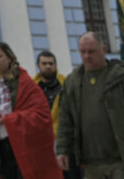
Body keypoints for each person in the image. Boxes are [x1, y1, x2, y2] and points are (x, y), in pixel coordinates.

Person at [56, 32, 124, 179]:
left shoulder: (122, 78)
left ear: (103, 50)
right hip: (91, 164)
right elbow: (66, 120)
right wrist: (62, 149)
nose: (86, 56)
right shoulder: (72, 82)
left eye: (91, 51)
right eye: (82, 52)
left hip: (122, 161)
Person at [0, 42, 61, 179]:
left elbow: (41, 113)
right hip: (0, 147)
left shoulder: (24, 82)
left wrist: (11, 120)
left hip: (25, 145)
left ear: (9, 58)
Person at [35, 51, 80, 179]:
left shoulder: (66, 85)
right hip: (42, 141)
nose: (48, 66)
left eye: (51, 63)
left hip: (65, 141)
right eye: (44, 63)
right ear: (38, 65)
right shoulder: (32, 89)